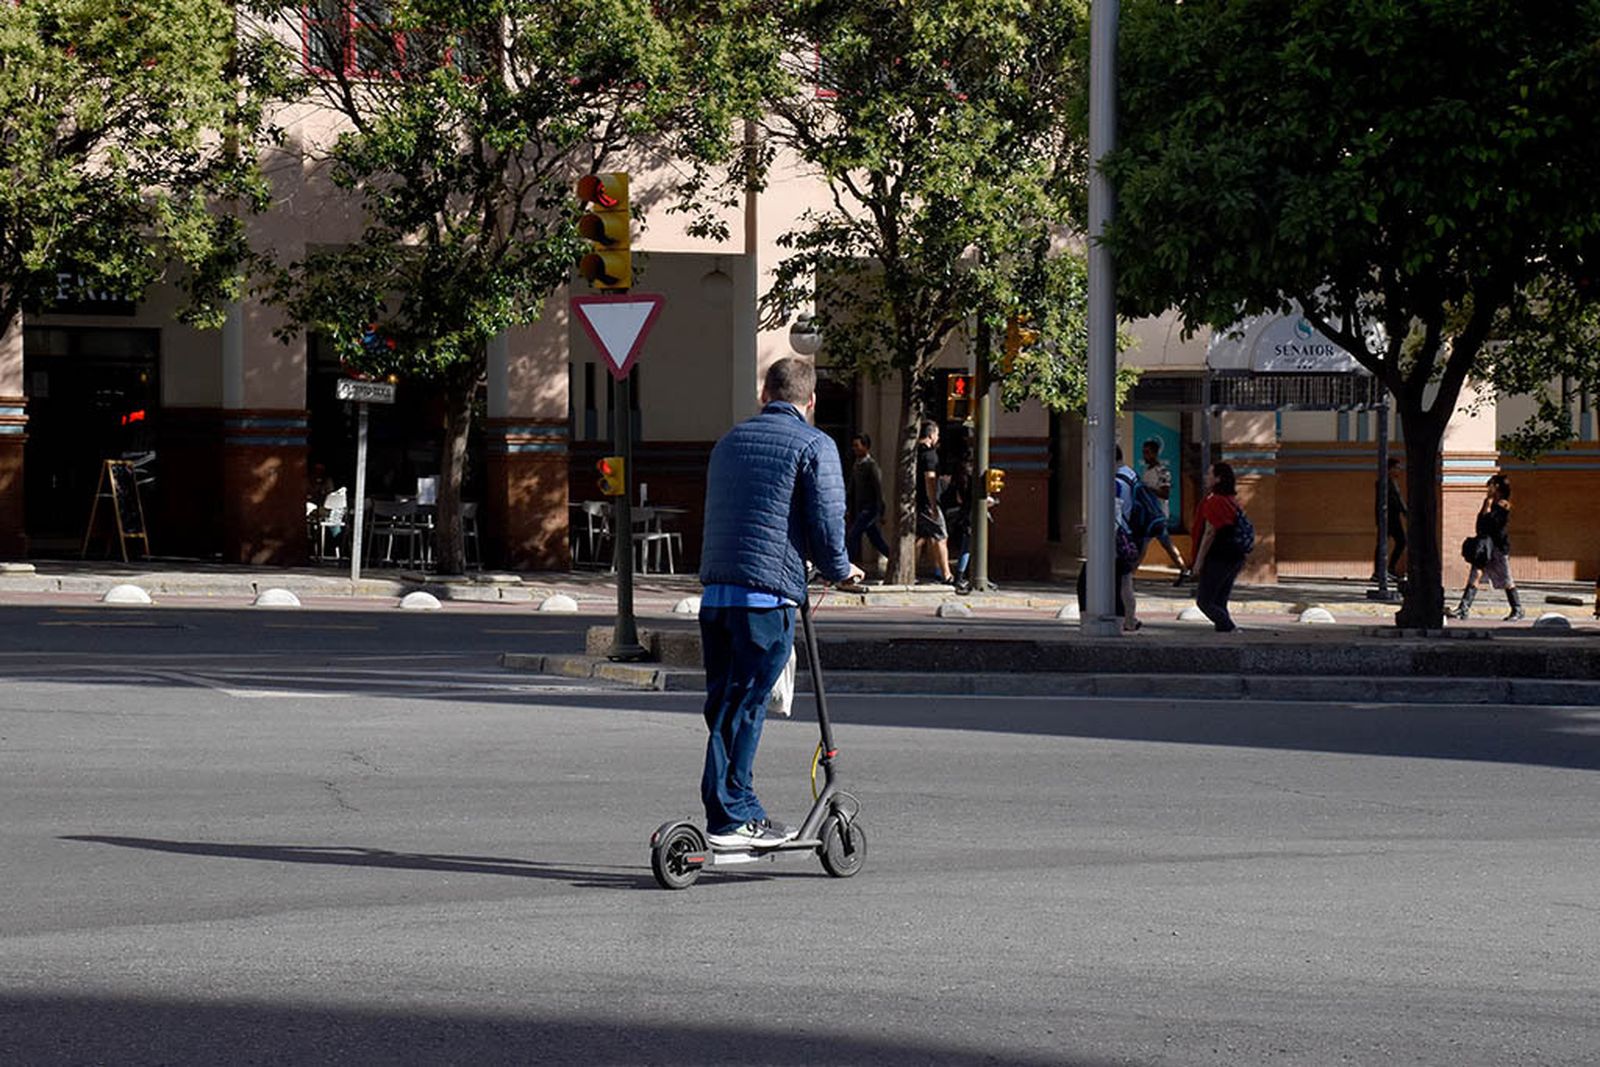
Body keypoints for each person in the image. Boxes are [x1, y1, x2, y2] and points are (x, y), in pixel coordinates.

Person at [698, 358, 863, 849]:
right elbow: (828, 518)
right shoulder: (815, 444)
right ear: (811, 402)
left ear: (763, 393)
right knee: (746, 705)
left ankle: (737, 806)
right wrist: (841, 569)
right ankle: (730, 819)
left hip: (717, 594)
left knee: (726, 705)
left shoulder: (729, 442)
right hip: (765, 597)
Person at [1452, 474, 1522, 621]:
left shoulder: (1504, 504)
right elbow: (1480, 522)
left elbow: (1493, 523)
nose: (1487, 489)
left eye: (1490, 485)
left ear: (1497, 487)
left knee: (1506, 579)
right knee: (1475, 575)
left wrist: (1489, 506)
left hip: (1497, 547)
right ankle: (1463, 608)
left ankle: (1517, 609)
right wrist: (1488, 503)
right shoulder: (1488, 502)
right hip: (1484, 547)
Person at [1189, 461, 1247, 633]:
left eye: (1210, 474)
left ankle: (1230, 628)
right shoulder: (1231, 501)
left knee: (1205, 602)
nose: (1206, 477)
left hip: (1217, 557)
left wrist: (1198, 562)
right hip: (1233, 557)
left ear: (1218, 479)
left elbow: (1209, 533)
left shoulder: (1215, 501)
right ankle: (1224, 633)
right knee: (1219, 601)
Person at [1140, 437, 1190, 584]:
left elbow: (1165, 493)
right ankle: (1183, 569)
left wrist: (1148, 490)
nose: (1145, 455)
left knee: (1144, 542)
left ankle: (1130, 571)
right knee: (1164, 543)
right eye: (1144, 452)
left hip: (1158, 514)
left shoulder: (1162, 472)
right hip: (1150, 513)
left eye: (1147, 452)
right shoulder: (1147, 471)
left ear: (1155, 453)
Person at [915, 420, 954, 584]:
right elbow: (929, 480)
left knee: (919, 538)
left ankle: (911, 571)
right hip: (927, 503)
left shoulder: (914, 452)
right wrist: (933, 505)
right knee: (941, 536)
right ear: (931, 435)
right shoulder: (930, 455)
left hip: (916, 502)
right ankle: (947, 574)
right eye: (937, 434)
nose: (938, 437)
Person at [846, 433, 892, 570]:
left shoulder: (871, 466)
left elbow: (879, 489)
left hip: (870, 509)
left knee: (853, 535)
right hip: (859, 508)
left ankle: (847, 566)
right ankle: (892, 557)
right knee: (875, 539)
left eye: (857, 446)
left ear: (865, 447)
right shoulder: (856, 465)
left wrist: (882, 511)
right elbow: (852, 488)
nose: (854, 449)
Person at [1381, 457, 1407, 579]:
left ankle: (1384, 570)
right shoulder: (1385, 483)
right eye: (1397, 468)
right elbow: (1396, 501)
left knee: (1385, 543)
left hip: (1392, 517)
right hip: (1389, 518)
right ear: (1390, 469)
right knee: (1398, 541)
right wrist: (1405, 512)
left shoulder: (1392, 482)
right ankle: (1385, 570)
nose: (1399, 471)